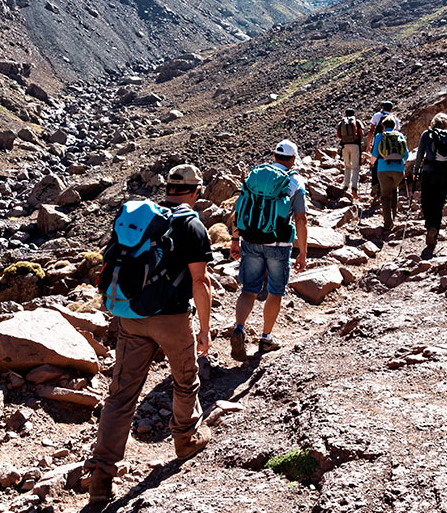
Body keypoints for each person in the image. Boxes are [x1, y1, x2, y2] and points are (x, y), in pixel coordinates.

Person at [87, 164, 214, 505]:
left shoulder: (146, 218)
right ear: (196, 190)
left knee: (121, 395)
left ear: (168, 189)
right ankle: (185, 440)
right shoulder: (192, 225)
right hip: (172, 319)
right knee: (185, 380)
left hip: (131, 317)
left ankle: (102, 475)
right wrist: (204, 329)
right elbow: (200, 282)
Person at [229, 140, 309, 359]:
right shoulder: (294, 181)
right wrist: (302, 252)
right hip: (279, 245)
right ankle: (266, 338)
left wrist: (235, 239)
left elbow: (240, 208)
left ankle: (239, 328)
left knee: (249, 289)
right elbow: (300, 219)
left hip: (251, 240)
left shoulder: (257, 175)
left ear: (274, 155)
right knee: (275, 290)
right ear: (293, 159)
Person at [415, 113, 447, 249]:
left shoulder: (427, 134)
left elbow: (420, 154)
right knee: (439, 203)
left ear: (433, 123)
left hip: (429, 171)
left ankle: (430, 226)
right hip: (445, 174)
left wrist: (416, 170)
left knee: (426, 201)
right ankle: (434, 231)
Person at [372, 116, 410, 231]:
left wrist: (373, 164)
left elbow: (374, 153)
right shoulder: (400, 136)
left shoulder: (380, 136)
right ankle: (394, 216)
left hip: (383, 169)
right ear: (394, 126)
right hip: (398, 170)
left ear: (383, 126)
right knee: (394, 190)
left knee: (385, 195)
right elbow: (406, 155)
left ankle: (388, 223)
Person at [364, 101, 394, 202]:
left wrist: (369, 144)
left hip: (377, 143)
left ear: (382, 107)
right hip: (390, 147)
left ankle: (375, 184)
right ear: (391, 109)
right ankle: (384, 189)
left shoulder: (377, 116)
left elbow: (371, 130)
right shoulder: (394, 119)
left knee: (375, 165)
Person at [336, 109, 364, 201]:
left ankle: (346, 186)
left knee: (347, 166)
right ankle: (354, 187)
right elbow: (361, 133)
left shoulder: (341, 123)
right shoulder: (357, 122)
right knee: (355, 167)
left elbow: (339, 135)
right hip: (355, 145)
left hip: (345, 146)